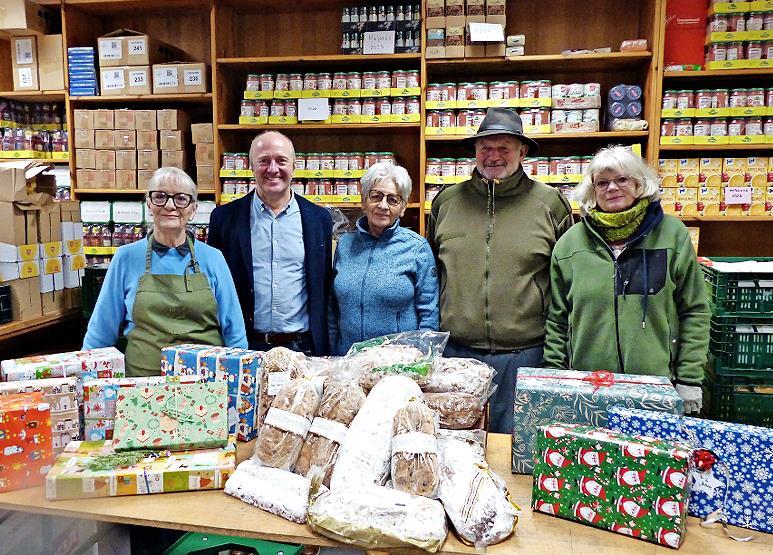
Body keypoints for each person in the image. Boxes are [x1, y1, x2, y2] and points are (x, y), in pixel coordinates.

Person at [427, 107, 573, 434]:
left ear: (522, 152)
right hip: (457, 356)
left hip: (527, 356)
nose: (493, 156)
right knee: (456, 449)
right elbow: (432, 271)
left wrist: (556, 358)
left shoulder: (550, 204)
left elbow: (566, 285)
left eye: (503, 148)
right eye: (485, 148)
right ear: (475, 151)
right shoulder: (446, 202)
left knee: (518, 453)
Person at [543, 146, 709, 413]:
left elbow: (694, 311)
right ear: (592, 190)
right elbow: (557, 319)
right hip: (587, 389)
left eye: (622, 179)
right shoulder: (570, 245)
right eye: (602, 182)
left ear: (639, 184)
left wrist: (689, 379)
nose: (612, 188)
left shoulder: (671, 235)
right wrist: (553, 377)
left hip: (656, 388)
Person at [83, 167, 247, 376]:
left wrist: (239, 382)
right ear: (149, 204)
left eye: (180, 199)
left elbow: (235, 332)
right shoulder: (126, 258)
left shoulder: (213, 258)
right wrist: (85, 380)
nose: (170, 205)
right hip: (142, 388)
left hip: (206, 390)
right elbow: (100, 333)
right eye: (160, 196)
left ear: (193, 209)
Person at [208, 131, 333, 355]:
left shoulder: (319, 219)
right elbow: (214, 287)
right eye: (264, 160)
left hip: (303, 348)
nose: (273, 169)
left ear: (294, 165)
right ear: (251, 166)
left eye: (281, 161)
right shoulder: (224, 219)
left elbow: (322, 288)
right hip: (244, 346)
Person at [328, 162, 439, 355]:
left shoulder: (417, 248)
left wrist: (422, 361)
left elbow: (429, 314)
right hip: (348, 361)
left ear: (403, 207)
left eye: (393, 200)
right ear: (364, 201)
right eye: (376, 196)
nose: (383, 205)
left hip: (398, 364)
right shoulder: (345, 244)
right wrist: (332, 355)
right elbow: (332, 309)